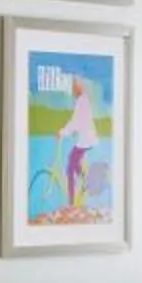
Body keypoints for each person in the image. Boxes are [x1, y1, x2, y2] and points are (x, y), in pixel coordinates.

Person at [56, 74, 99, 220]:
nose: (72, 90)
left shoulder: (82, 101)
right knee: (74, 163)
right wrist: (67, 132)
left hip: (85, 140)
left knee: (70, 167)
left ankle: (71, 203)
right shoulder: (83, 100)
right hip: (86, 139)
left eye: (74, 87)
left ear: (79, 87)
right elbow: (77, 123)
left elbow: (75, 122)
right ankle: (86, 182)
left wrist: (62, 133)